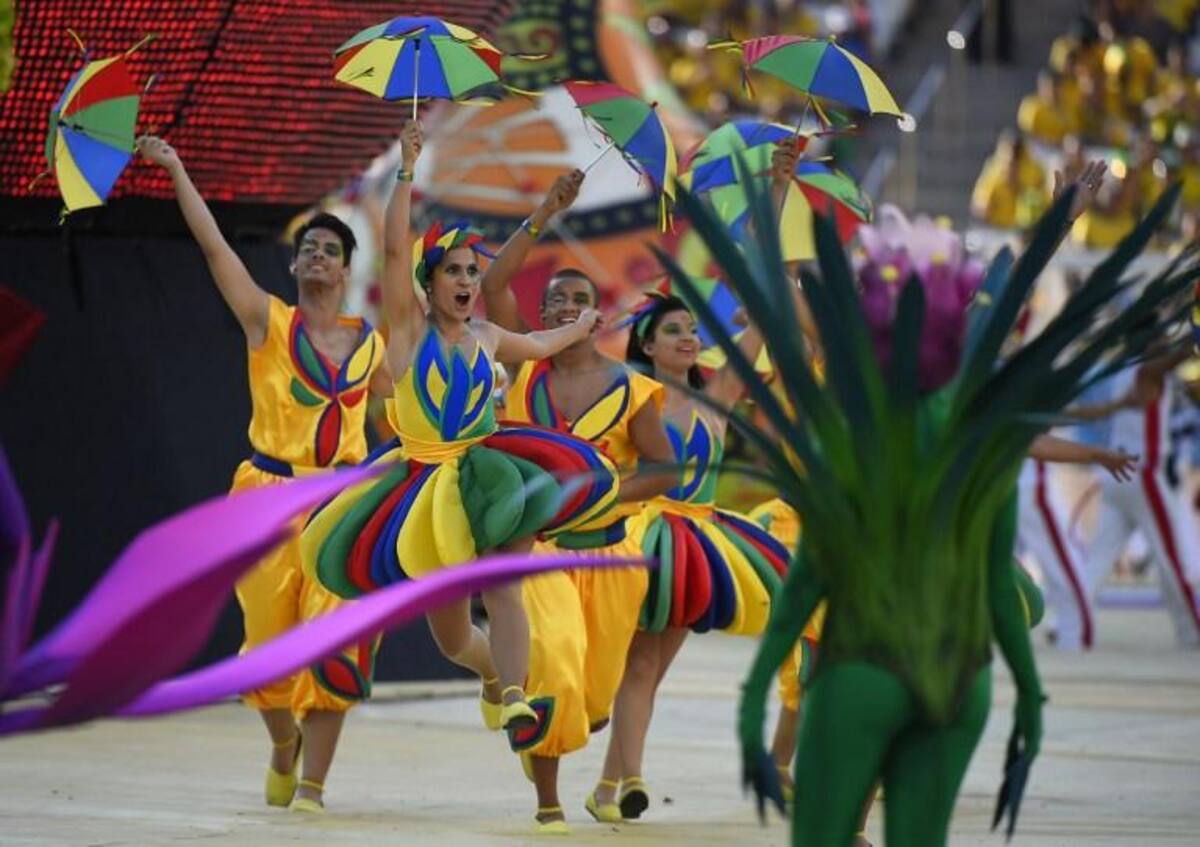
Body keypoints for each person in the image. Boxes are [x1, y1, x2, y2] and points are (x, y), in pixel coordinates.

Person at [299, 122, 623, 766]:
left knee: (503, 586)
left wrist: (582, 326)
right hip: (421, 490)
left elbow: (535, 346)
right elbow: (393, 252)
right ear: (428, 281)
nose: (468, 280)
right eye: (454, 270)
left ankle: (519, 701)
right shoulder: (408, 336)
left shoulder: (487, 338)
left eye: (473, 271)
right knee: (452, 639)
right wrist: (406, 171)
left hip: (488, 474)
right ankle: (494, 680)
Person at [138, 135, 390, 813]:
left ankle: (313, 784)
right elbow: (214, 245)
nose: (314, 255)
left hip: (340, 501)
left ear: (344, 270)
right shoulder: (266, 322)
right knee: (267, 652)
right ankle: (284, 744)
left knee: (335, 640)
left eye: (328, 250)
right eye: (306, 247)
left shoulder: (372, 344)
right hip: (266, 498)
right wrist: (177, 169)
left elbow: (407, 414)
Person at [479, 171, 678, 833]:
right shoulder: (523, 367)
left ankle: (573, 741)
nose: (565, 307)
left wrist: (605, 494)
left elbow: (665, 469)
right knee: (553, 668)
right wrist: (543, 211)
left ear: (599, 313)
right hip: (537, 551)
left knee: (591, 698)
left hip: (612, 556)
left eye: (578, 298)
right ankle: (547, 802)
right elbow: (492, 287)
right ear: (544, 316)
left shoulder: (631, 388)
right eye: (557, 299)